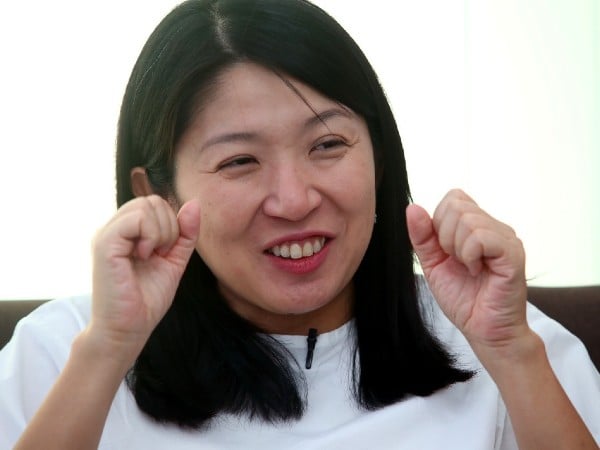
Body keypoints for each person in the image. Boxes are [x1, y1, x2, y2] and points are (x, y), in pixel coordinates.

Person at [1, 0, 598, 448]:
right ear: (156, 194)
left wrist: (513, 354)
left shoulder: (507, 343)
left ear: (379, 158)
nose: (293, 200)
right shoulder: (66, 351)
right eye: (239, 161)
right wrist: (108, 351)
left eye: (328, 144)